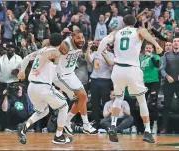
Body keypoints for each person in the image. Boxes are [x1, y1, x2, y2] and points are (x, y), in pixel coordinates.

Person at [99, 14, 163, 143]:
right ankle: (147, 132)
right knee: (142, 99)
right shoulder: (138, 31)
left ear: (123, 22)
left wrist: (101, 50)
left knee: (118, 97)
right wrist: (156, 44)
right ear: (134, 23)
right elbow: (145, 32)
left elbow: (105, 40)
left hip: (117, 69)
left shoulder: (116, 32)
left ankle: (112, 126)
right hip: (132, 68)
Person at [17, 33, 72, 145]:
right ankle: (59, 136)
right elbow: (46, 55)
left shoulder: (41, 50)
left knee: (43, 110)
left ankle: (25, 126)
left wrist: (22, 71)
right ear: (60, 43)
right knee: (64, 106)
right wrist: (39, 67)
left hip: (32, 87)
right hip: (43, 87)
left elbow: (27, 57)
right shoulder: (53, 51)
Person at [53, 30, 97, 136]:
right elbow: (53, 50)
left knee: (83, 99)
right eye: (78, 38)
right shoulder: (66, 44)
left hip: (70, 74)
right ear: (72, 37)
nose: (81, 40)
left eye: (82, 37)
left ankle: (67, 121)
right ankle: (86, 125)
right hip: (61, 76)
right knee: (82, 96)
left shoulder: (80, 45)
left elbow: (79, 54)